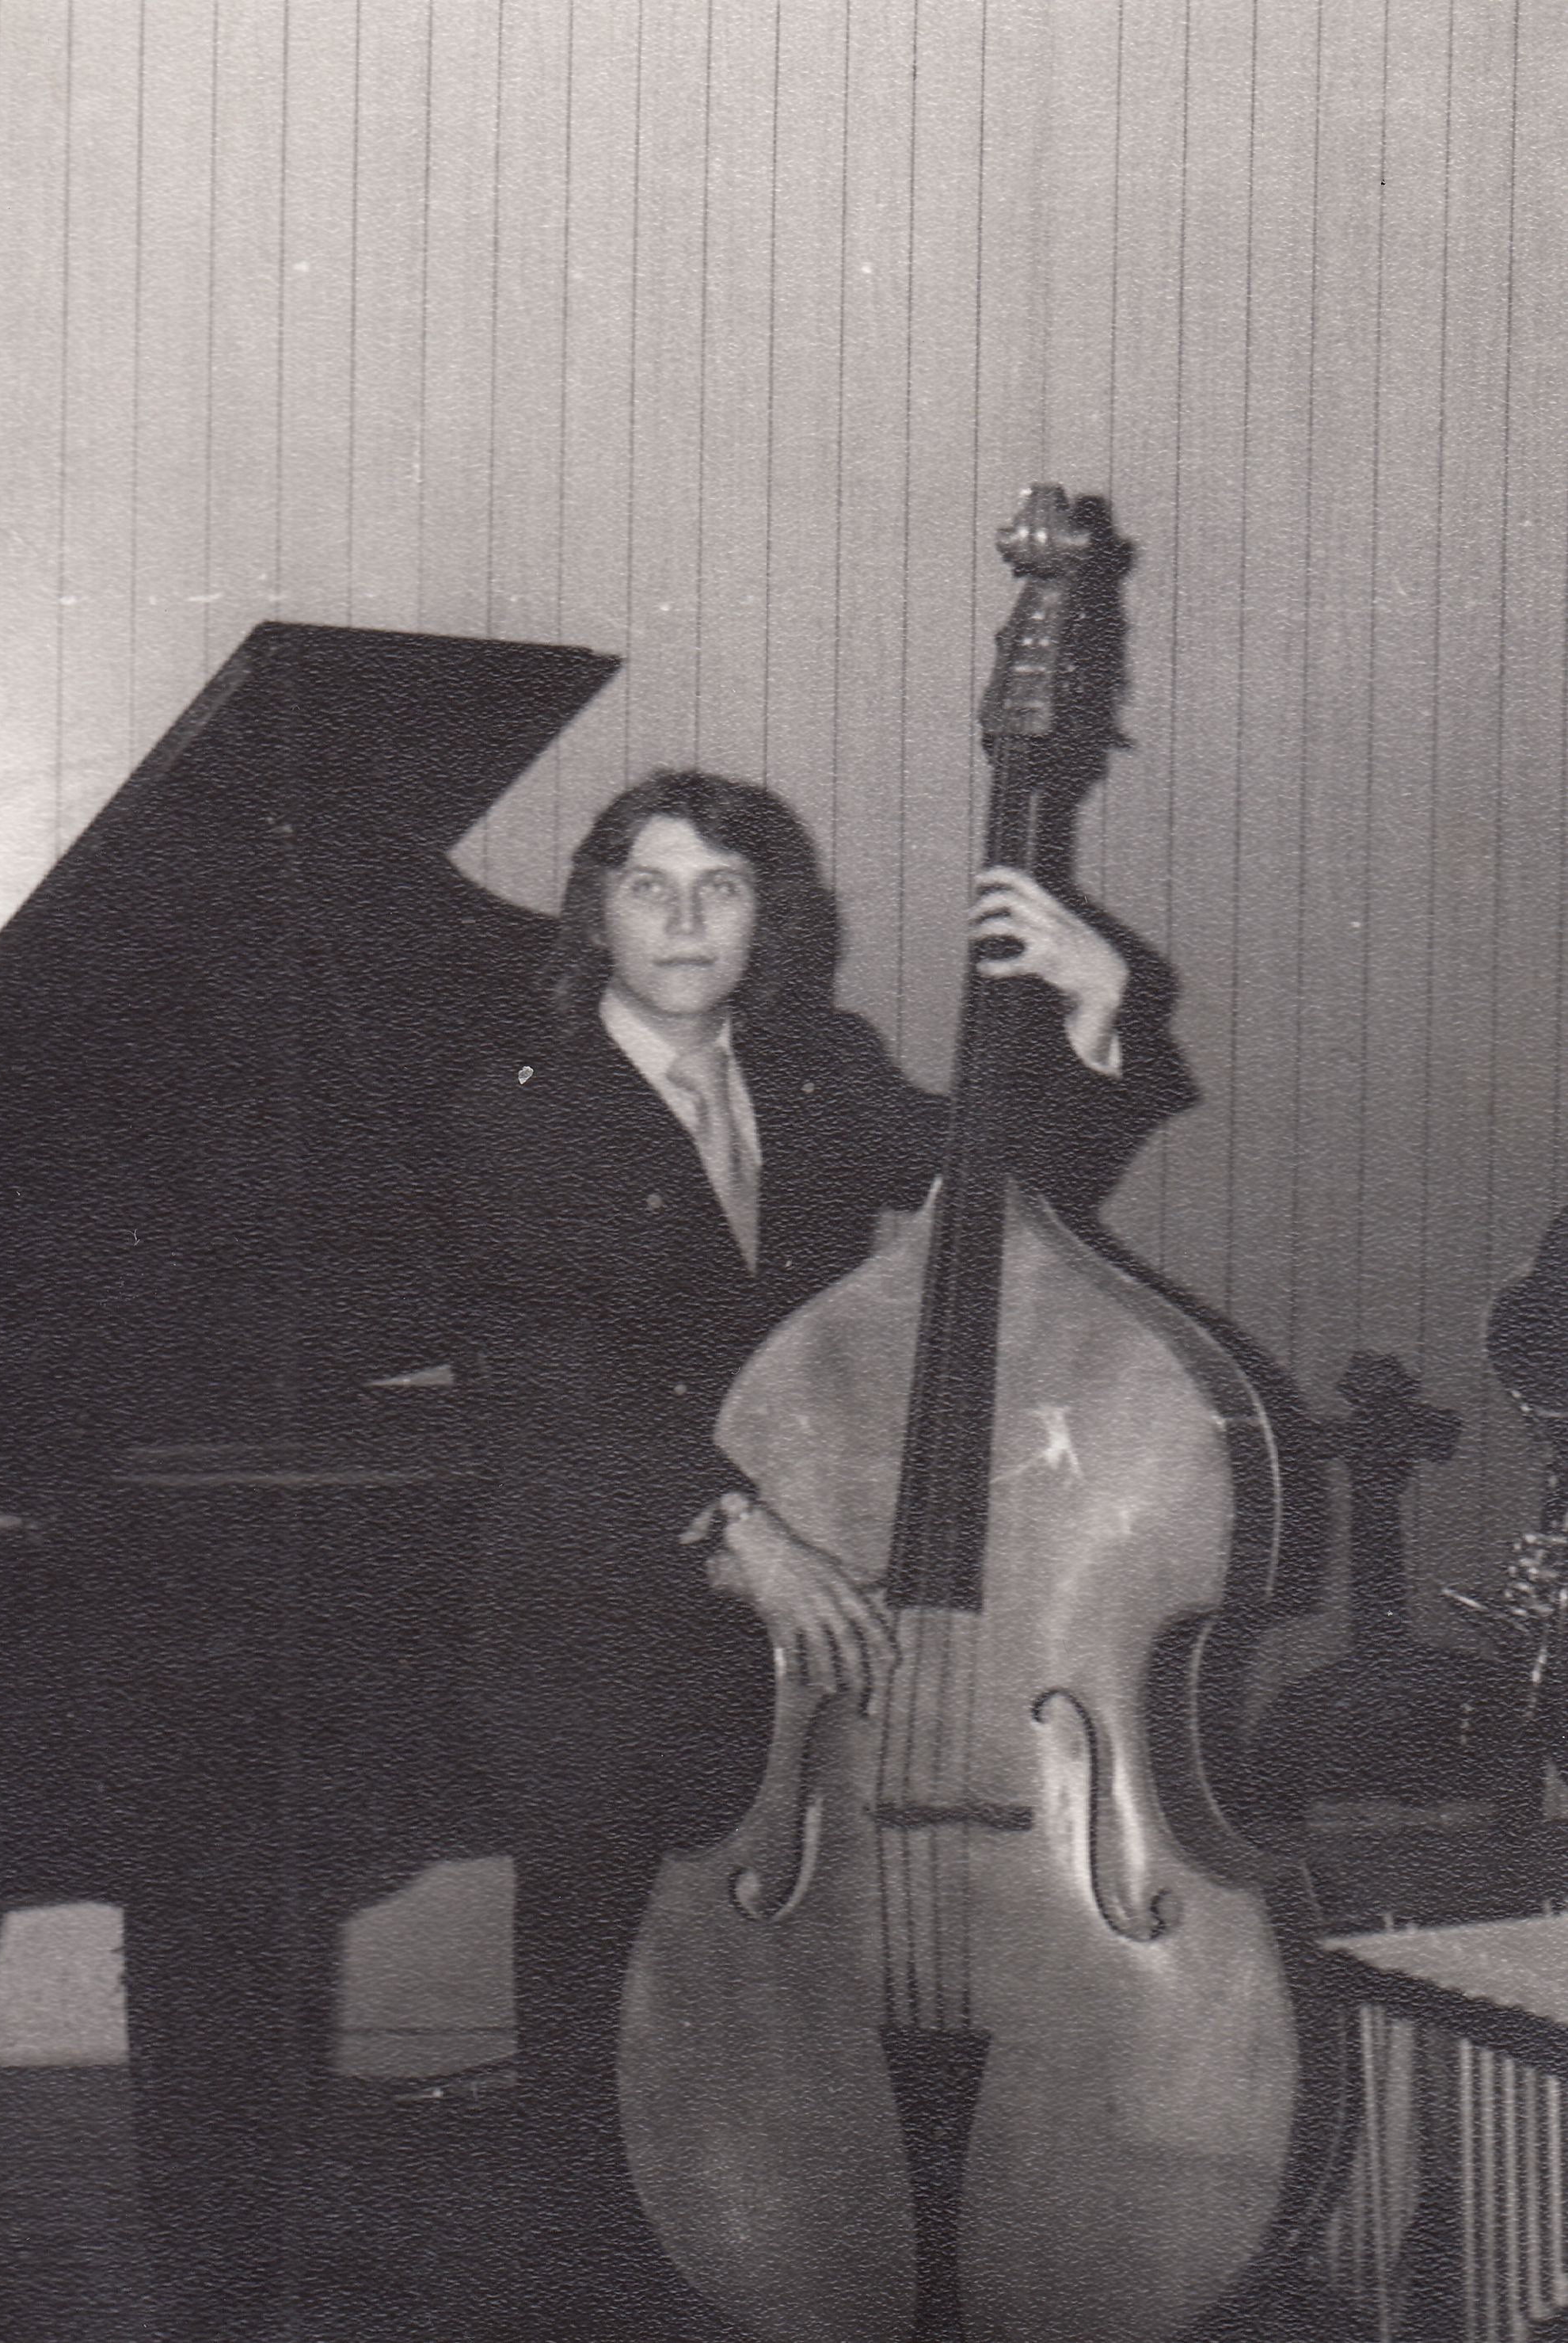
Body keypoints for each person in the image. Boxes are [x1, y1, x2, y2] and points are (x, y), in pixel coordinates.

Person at [444, 768, 1180, 2334]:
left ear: (766, 918)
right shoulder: (516, 1105)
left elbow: (1005, 1197)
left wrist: (1099, 1007)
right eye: (649, 885)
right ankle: (589, 2300)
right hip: (600, 1607)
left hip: (787, 1620)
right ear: (597, 914)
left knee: (768, 1998)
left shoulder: (817, 1067)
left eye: (720, 887)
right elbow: (546, 1370)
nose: (685, 919)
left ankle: (777, 2277)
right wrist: (736, 1531)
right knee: (602, 2000)